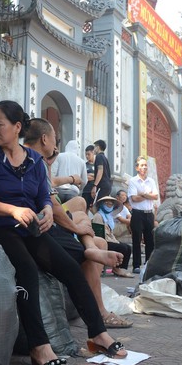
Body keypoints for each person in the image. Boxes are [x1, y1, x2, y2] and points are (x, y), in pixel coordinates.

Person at [0, 101, 127, 365]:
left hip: (31, 227)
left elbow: (43, 195)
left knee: (69, 269)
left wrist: (46, 212)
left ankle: (98, 334)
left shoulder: (33, 160)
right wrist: (12, 209)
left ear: (17, 127)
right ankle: (39, 348)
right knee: (26, 270)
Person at [24, 121, 132, 328]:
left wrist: (56, 167)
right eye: (54, 136)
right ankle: (100, 311)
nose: (57, 141)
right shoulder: (30, 159)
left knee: (81, 204)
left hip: (50, 210)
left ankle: (91, 248)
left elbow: (50, 187)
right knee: (95, 238)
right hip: (41, 220)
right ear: (45, 139)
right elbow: (53, 205)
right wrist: (75, 228)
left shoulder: (37, 160)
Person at [127, 156, 159, 275]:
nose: (144, 167)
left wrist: (143, 194)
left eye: (145, 165)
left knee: (150, 240)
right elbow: (134, 199)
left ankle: (148, 264)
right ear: (137, 168)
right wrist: (148, 195)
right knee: (136, 239)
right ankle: (136, 265)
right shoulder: (133, 181)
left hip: (149, 214)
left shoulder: (151, 181)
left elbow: (155, 196)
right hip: (137, 214)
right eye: (142, 165)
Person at [92, 196, 134, 278]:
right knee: (122, 248)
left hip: (110, 239)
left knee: (128, 247)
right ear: (102, 205)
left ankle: (118, 268)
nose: (109, 205)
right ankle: (116, 269)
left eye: (111, 204)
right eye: (107, 203)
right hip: (103, 241)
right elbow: (99, 233)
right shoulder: (98, 216)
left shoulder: (109, 216)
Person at [91, 140, 112, 205]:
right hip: (108, 186)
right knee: (102, 206)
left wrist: (95, 185)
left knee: (97, 206)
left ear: (98, 147)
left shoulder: (99, 157)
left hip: (102, 186)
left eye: (94, 147)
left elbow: (100, 171)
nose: (93, 150)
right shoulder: (105, 158)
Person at [81, 145, 96, 210]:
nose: (87, 156)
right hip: (86, 190)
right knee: (85, 209)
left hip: (95, 191)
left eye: (88, 154)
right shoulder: (84, 165)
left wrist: (92, 175)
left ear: (93, 153)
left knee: (94, 209)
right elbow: (84, 177)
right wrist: (94, 176)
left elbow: (100, 176)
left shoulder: (97, 165)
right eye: (86, 154)